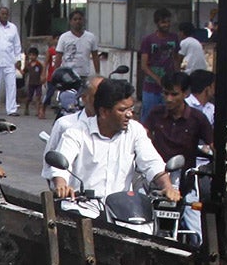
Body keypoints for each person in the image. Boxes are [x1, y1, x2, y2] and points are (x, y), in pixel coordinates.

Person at [46, 77, 176, 204]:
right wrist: (62, 184)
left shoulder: (135, 130)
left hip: (122, 210)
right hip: (84, 208)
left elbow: (152, 162)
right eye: (122, 110)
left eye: (131, 109)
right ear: (103, 112)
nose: (129, 114)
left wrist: (167, 186)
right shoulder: (77, 132)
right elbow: (61, 165)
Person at [144, 71, 212, 167]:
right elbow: (144, 135)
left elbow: (212, 144)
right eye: (165, 93)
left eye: (174, 94)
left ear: (186, 93)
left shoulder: (197, 118)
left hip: (185, 176)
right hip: (158, 174)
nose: (169, 99)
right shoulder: (156, 113)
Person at [136, 12, 176, 117]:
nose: (166, 25)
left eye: (168, 22)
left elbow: (176, 59)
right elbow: (144, 66)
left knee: (168, 116)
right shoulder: (148, 40)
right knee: (148, 116)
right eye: (163, 22)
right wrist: (157, 79)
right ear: (157, 23)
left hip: (169, 87)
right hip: (151, 88)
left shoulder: (174, 38)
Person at [54, 10, 103, 78]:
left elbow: (95, 57)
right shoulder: (64, 37)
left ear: (83, 21)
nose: (78, 21)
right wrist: (56, 75)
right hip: (68, 75)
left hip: (84, 75)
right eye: (75, 19)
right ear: (70, 22)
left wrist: (98, 74)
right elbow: (58, 57)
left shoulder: (91, 37)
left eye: (80, 19)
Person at [0, 5, 24, 116]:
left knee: (11, 86)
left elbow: (17, 45)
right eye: (2, 14)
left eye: (6, 14)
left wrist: (18, 59)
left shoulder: (13, 28)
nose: (4, 16)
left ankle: (11, 109)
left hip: (9, 61)